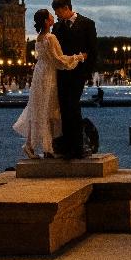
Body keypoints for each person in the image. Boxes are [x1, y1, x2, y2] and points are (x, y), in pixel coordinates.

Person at [14, 9, 85, 159]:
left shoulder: (38, 38)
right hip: (48, 76)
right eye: (51, 16)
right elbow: (59, 60)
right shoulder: (50, 37)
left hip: (39, 74)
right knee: (49, 109)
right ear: (47, 21)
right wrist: (79, 57)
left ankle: (32, 146)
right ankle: (46, 147)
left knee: (37, 109)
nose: (53, 17)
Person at [51, 0, 98, 159]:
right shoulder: (57, 27)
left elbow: (93, 51)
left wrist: (87, 74)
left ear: (65, 8)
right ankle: (68, 145)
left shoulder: (87, 24)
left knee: (72, 106)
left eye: (58, 12)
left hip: (78, 74)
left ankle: (77, 145)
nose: (57, 16)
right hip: (62, 73)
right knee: (65, 108)